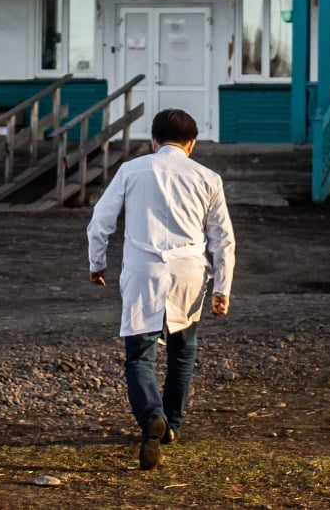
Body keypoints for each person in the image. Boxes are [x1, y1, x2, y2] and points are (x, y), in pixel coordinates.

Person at [86, 107, 235, 471]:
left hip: (143, 267)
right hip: (190, 269)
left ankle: (152, 416)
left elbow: (101, 220)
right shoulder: (208, 177)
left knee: (141, 353)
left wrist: (97, 263)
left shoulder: (132, 170)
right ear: (192, 144)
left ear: (153, 141)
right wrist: (223, 287)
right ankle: (172, 424)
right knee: (183, 350)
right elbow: (223, 239)